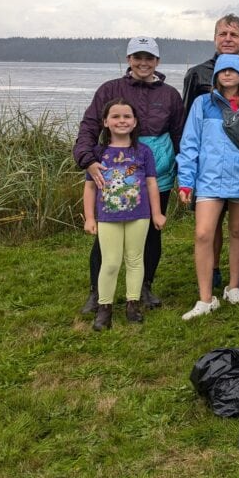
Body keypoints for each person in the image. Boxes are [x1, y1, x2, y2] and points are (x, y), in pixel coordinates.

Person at [73, 37, 183, 313]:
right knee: (105, 233)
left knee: (151, 232)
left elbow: (180, 134)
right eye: (137, 57)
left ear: (157, 62)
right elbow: (88, 127)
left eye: (149, 58)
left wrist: (186, 171)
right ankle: (97, 291)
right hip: (112, 174)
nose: (143, 63)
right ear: (128, 59)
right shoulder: (110, 90)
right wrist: (87, 159)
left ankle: (144, 286)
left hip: (157, 173)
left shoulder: (170, 94)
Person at [176, 54, 239, 320]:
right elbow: (190, 142)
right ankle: (205, 299)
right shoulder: (203, 104)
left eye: (232, 70)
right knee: (203, 234)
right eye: (222, 71)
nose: (227, 74)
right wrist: (186, 180)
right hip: (209, 180)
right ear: (215, 76)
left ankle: (234, 287)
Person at [82, 99, 166, 331]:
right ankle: (104, 307)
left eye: (127, 116)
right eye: (116, 116)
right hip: (108, 217)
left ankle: (133, 303)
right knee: (110, 262)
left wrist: (157, 214)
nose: (122, 121)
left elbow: (151, 184)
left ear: (135, 121)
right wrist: (90, 217)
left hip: (140, 215)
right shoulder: (97, 153)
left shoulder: (143, 151)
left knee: (135, 259)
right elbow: (90, 187)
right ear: (106, 122)